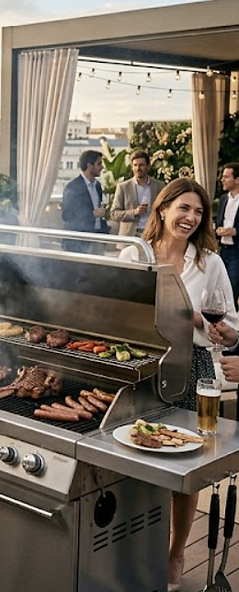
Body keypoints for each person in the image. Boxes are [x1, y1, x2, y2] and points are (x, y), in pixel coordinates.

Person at [118, 177, 239, 592]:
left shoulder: (210, 263)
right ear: (163, 208)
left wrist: (219, 331)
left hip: (194, 368)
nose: (191, 217)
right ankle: (135, 545)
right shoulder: (134, 254)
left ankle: (174, 553)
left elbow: (232, 329)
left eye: (199, 212)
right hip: (143, 367)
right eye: (183, 208)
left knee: (184, 469)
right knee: (136, 457)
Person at [62, 149, 108, 254]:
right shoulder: (72, 187)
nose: (102, 167)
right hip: (80, 241)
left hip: (97, 238)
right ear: (89, 166)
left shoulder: (97, 186)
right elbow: (67, 215)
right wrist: (93, 214)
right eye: (99, 164)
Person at [110, 150, 165, 238]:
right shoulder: (123, 187)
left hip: (152, 234)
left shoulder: (159, 186)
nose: (138, 168)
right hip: (130, 236)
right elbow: (114, 214)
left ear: (148, 166)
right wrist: (134, 212)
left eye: (141, 165)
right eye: (135, 165)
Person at [214, 162, 239, 306]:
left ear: (237, 180)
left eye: (226, 177)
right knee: (220, 288)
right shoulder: (224, 199)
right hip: (223, 250)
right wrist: (218, 230)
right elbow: (219, 220)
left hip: (237, 252)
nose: (222, 180)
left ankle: (232, 324)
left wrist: (234, 231)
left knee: (232, 290)